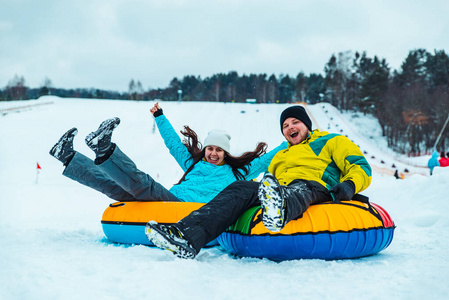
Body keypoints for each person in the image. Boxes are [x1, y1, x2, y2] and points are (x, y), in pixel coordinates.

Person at [145, 105, 372, 259]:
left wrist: (350, 185)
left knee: (301, 187)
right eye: (285, 126)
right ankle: (185, 236)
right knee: (240, 187)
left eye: (295, 122)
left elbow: (361, 166)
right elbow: (266, 184)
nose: (290, 127)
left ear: (307, 124)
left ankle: (280, 209)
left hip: (316, 187)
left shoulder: (331, 141)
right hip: (281, 189)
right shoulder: (281, 156)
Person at [49, 103, 287, 203]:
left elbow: (268, 159)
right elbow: (174, 144)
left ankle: (104, 148)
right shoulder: (193, 165)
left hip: (182, 208)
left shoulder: (238, 173)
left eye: (218, 150)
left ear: (225, 153)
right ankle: (68, 156)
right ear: (205, 149)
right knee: (114, 186)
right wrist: (159, 117)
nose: (213, 153)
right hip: (168, 201)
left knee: (143, 183)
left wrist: (290, 142)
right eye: (210, 148)